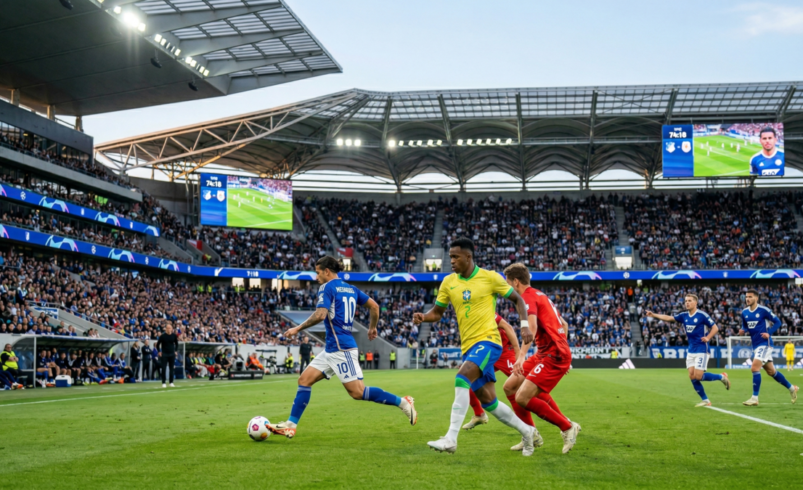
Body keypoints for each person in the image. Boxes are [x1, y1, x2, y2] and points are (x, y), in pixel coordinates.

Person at [267, 256, 416, 439]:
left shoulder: (327, 287)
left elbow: (320, 315)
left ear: (327, 271)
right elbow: (375, 307)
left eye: (318, 273)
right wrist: (372, 327)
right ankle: (290, 425)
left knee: (358, 392)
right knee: (304, 380)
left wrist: (297, 328)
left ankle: (403, 402)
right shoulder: (351, 289)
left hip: (342, 350)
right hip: (331, 349)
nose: (316, 277)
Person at [413, 238, 536, 456]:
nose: (451, 261)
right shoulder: (448, 282)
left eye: (455, 257)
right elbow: (438, 312)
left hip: (489, 341)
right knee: (489, 402)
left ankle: (451, 438)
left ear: (468, 257)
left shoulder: (490, 277)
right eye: (450, 257)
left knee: (461, 378)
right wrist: (424, 316)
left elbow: (518, 300)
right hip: (468, 347)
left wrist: (524, 325)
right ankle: (528, 432)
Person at [498, 263, 581, 454]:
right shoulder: (540, 295)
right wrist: (563, 348)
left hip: (553, 355)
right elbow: (563, 324)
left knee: (522, 397)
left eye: (508, 283)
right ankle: (530, 434)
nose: (507, 288)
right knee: (509, 386)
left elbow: (532, 329)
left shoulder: (526, 297)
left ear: (516, 282)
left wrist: (521, 357)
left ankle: (567, 426)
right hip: (547, 353)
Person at [646, 293, 730, 407]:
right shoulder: (684, 315)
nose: (687, 303)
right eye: (686, 301)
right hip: (691, 350)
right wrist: (653, 315)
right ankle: (705, 400)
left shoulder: (702, 315)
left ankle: (722, 377)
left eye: (689, 301)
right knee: (691, 375)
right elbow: (669, 318)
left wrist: (708, 337)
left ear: (695, 303)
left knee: (699, 376)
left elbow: (715, 328)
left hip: (702, 348)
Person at [462, 314, 523, 431]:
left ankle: (546, 413)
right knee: (467, 382)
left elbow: (507, 327)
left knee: (525, 382)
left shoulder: (485, 311)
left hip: (504, 352)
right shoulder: (468, 315)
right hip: (487, 352)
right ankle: (479, 415)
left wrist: (517, 352)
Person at [738, 289, 798, 406]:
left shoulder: (763, 310)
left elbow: (778, 322)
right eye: (746, 297)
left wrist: (769, 333)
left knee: (754, 368)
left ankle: (754, 398)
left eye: (750, 297)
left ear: (756, 298)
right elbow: (745, 325)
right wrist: (742, 330)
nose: (747, 299)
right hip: (756, 345)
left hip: (765, 344)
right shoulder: (744, 312)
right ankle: (792, 388)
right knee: (771, 372)